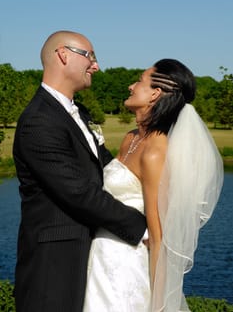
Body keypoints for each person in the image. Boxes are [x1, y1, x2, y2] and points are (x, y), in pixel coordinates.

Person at [13, 30, 147, 312]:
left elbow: (108, 170)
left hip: (93, 256)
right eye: (90, 56)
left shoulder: (79, 113)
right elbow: (79, 193)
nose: (96, 66)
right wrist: (142, 227)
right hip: (55, 265)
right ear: (63, 55)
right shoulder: (39, 121)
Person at [83, 59, 224, 311]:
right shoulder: (131, 138)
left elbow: (159, 237)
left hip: (124, 268)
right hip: (99, 256)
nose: (130, 86)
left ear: (155, 94)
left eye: (139, 80)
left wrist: (159, 303)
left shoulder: (155, 150)